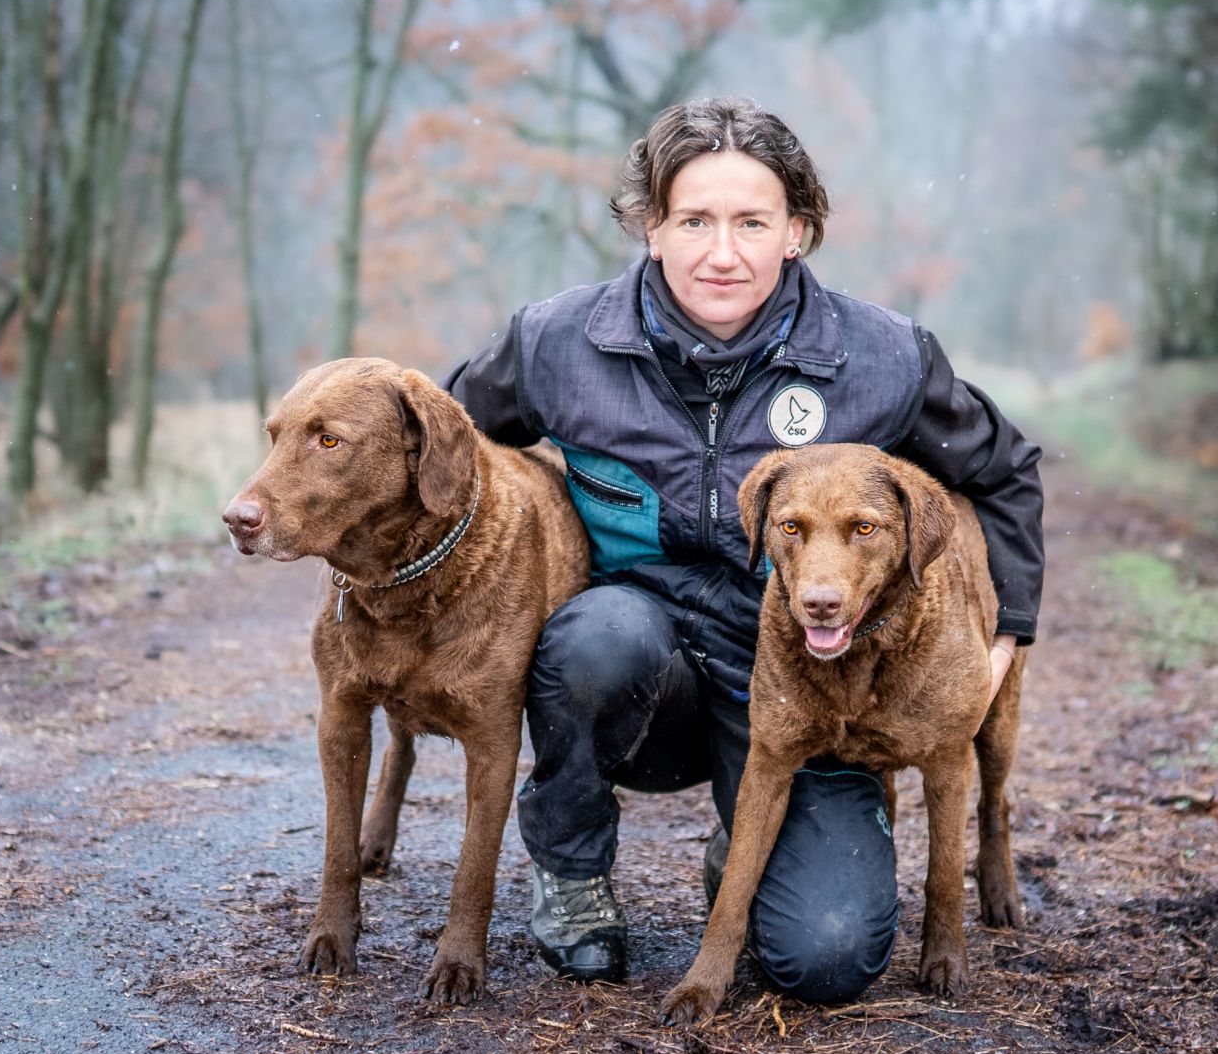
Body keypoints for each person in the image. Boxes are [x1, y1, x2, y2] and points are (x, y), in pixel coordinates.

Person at [445, 97, 1043, 1004]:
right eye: (693, 220)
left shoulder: (883, 357)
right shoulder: (557, 343)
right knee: (592, 638)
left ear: (797, 232)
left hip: (807, 677)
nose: (720, 252)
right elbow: (444, 459)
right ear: (652, 227)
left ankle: (748, 835)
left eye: (751, 222)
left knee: (828, 957)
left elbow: (1003, 476)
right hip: (636, 667)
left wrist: (1007, 638)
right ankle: (571, 871)